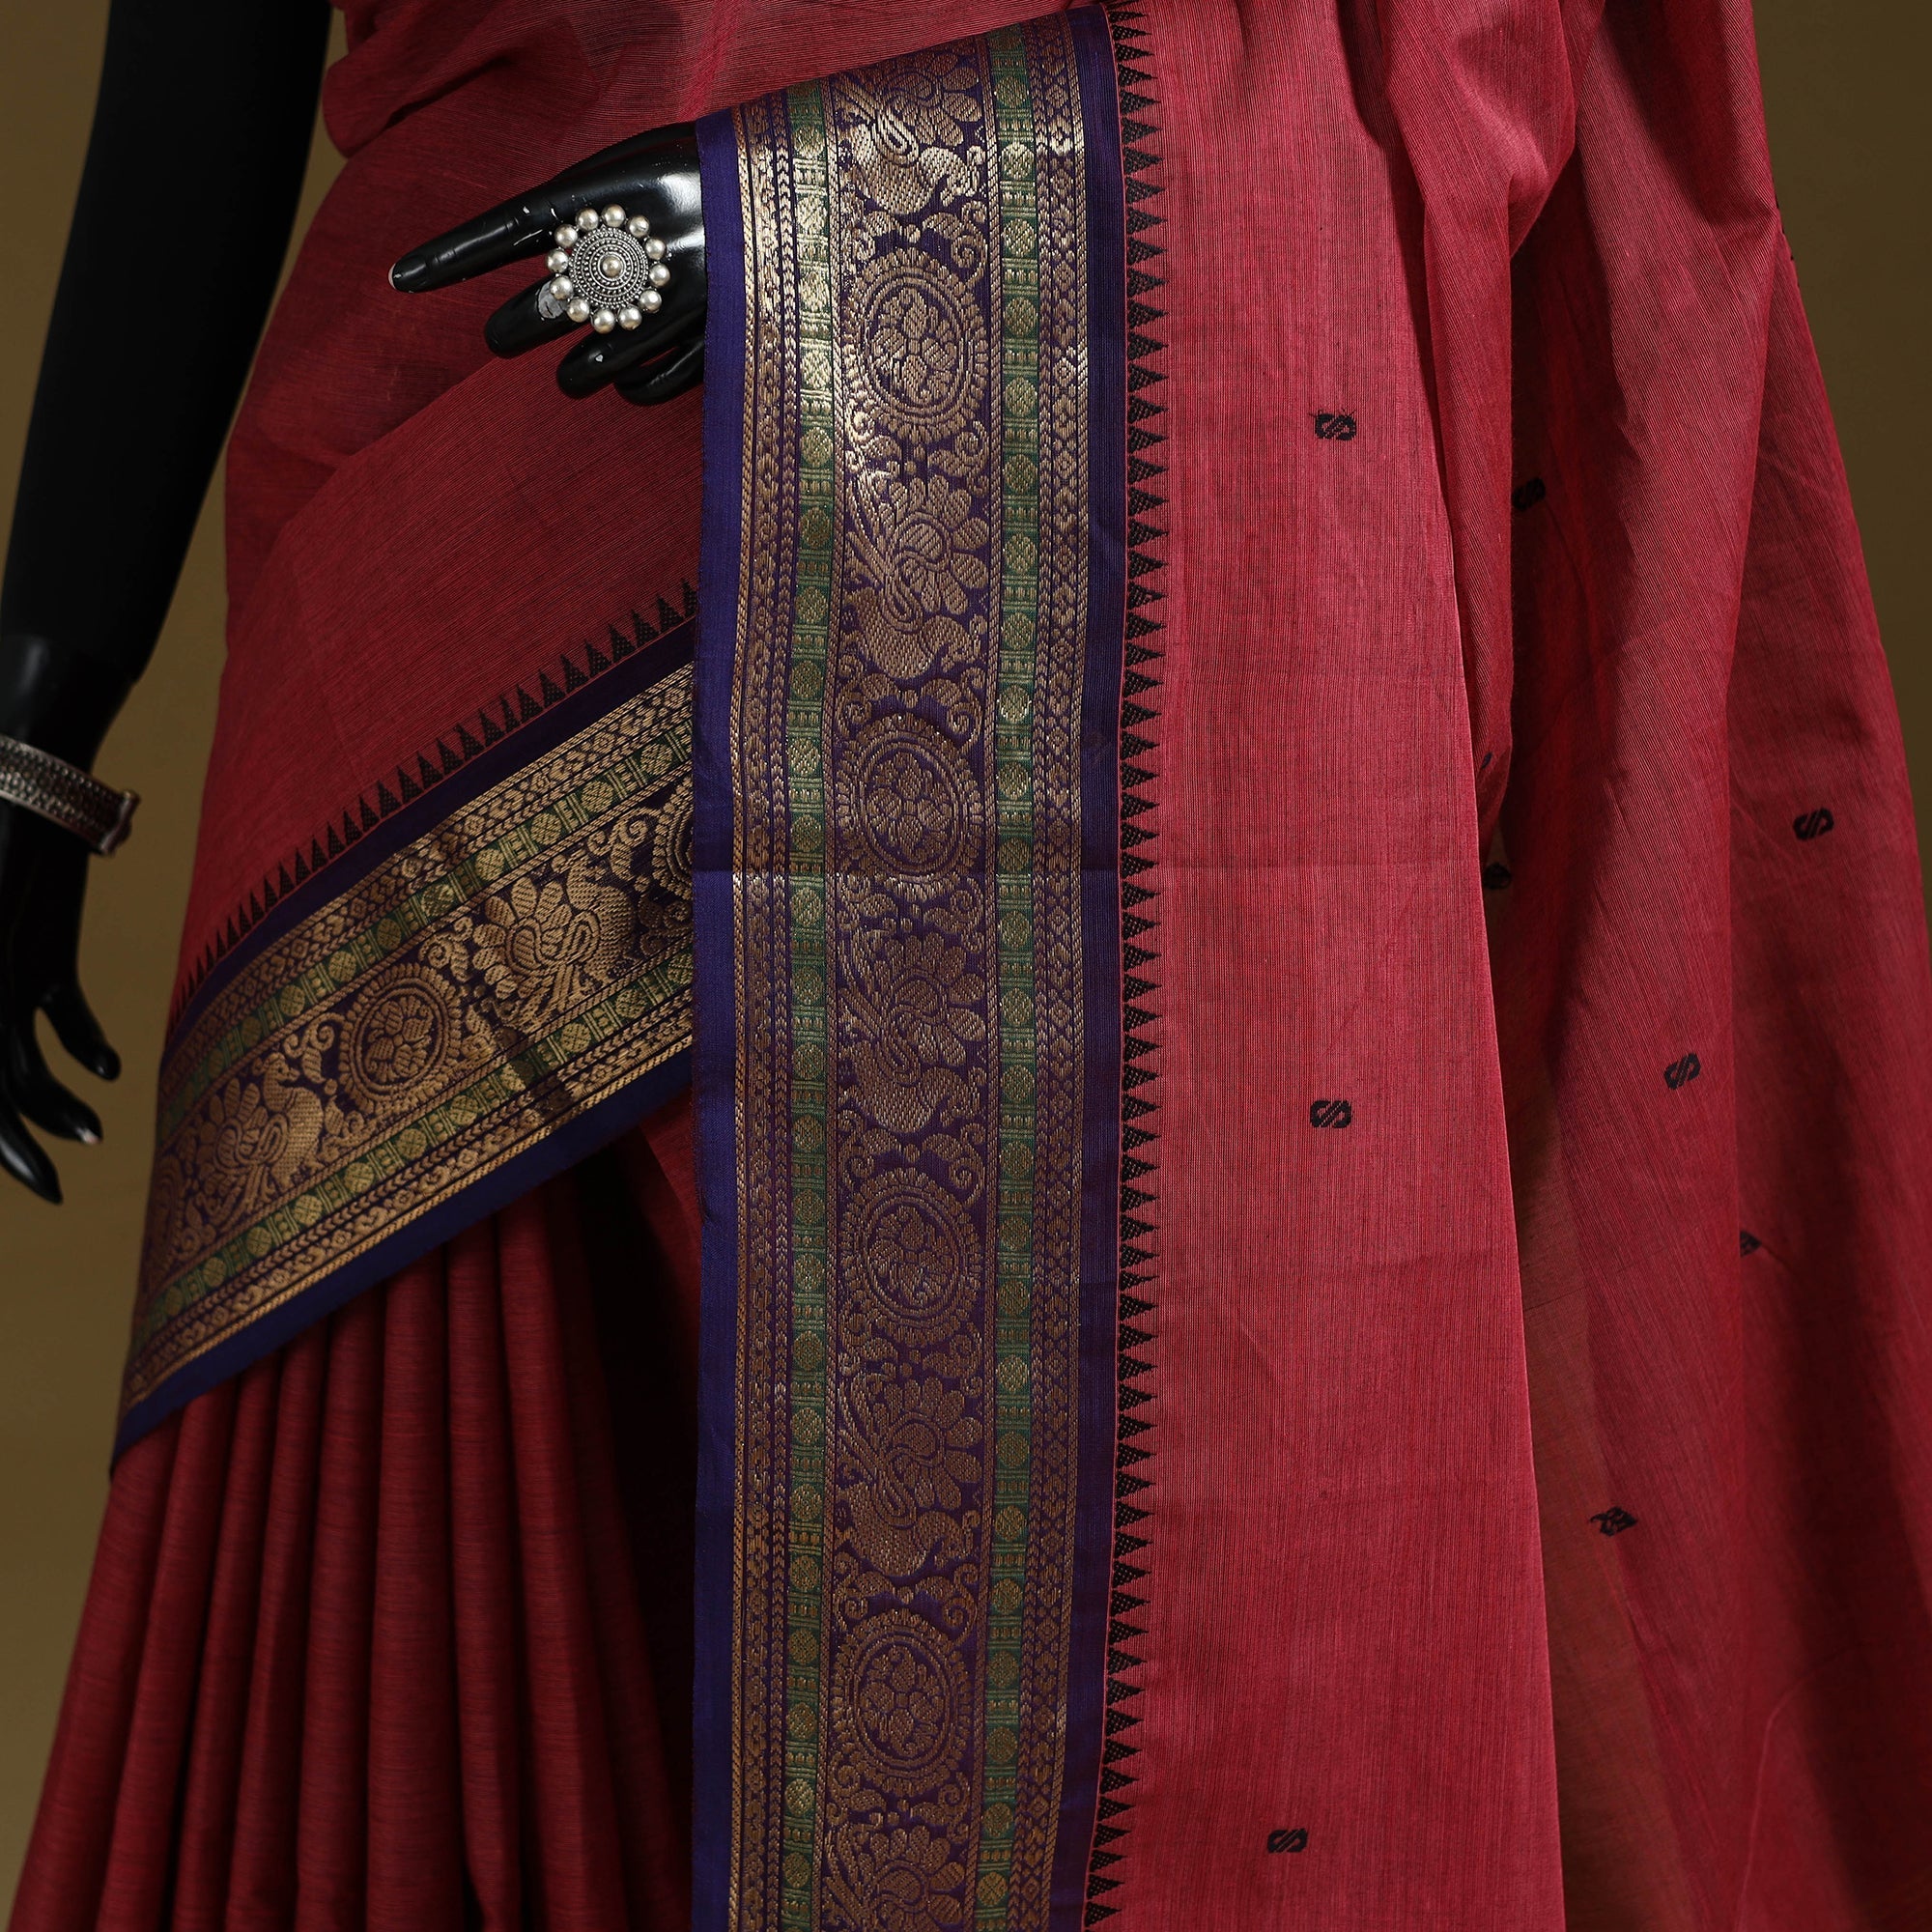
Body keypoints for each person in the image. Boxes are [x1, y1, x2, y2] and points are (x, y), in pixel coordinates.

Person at [7, 0, 1932, 1927]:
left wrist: (891, 202)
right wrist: (32, 734)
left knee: (1130, 1599)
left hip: (1101, 565)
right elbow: (204, 48)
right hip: (457, 565)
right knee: (463, 1621)